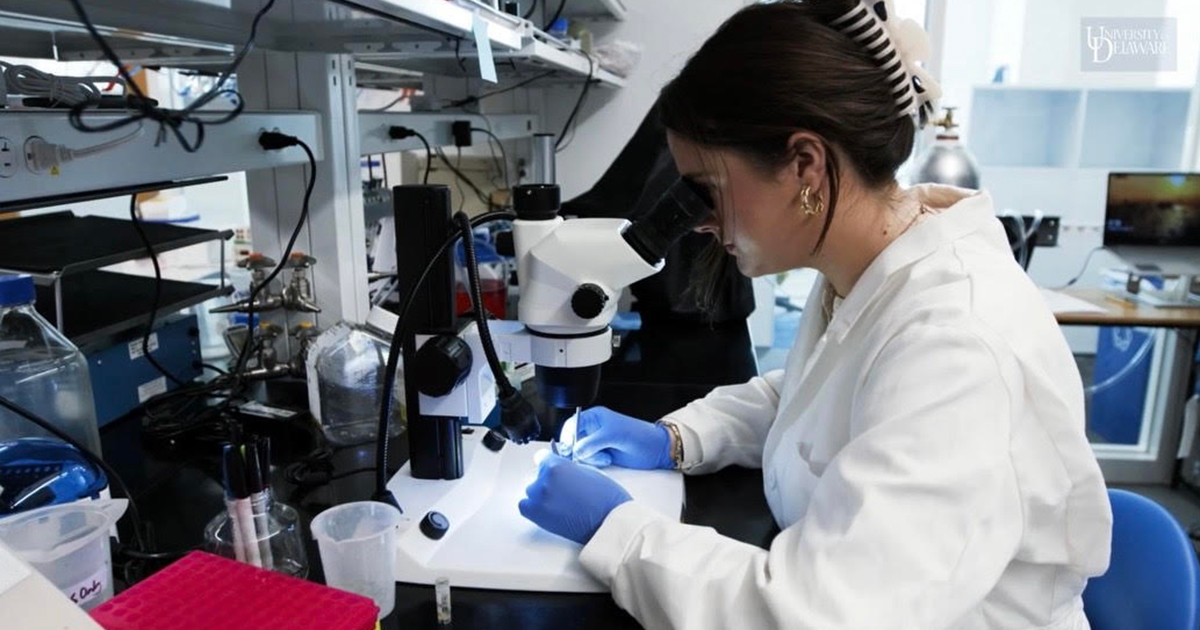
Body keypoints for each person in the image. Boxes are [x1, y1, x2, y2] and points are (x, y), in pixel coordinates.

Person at [517, 1, 1113, 629]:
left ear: (806, 164)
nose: (698, 219)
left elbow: (820, 614)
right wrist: (675, 438)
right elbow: (812, 394)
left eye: (707, 189)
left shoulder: (956, 343)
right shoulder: (875, 274)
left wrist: (618, 530)